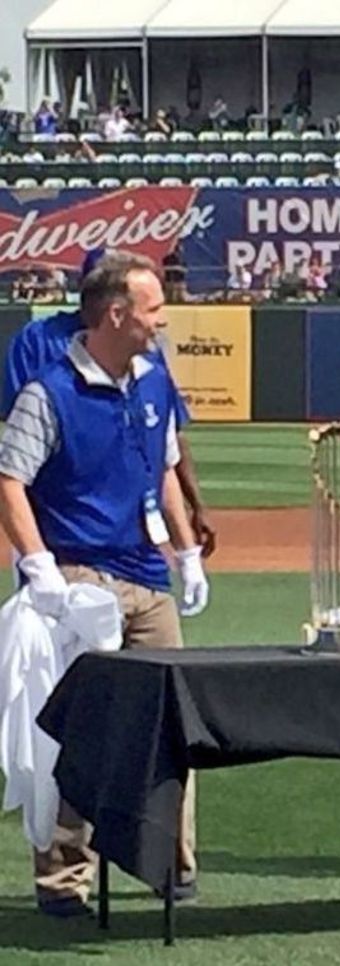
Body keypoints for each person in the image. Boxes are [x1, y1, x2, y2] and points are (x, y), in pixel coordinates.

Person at [0, 252, 211, 918]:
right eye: (152, 309)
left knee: (177, 726)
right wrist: (38, 566)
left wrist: (186, 552)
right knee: (79, 731)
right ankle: (64, 879)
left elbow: (167, 466)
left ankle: (172, 865)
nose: (162, 320)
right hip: (79, 581)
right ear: (117, 314)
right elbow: (9, 479)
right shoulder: (50, 391)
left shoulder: (153, 382)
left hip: (148, 578)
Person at [2, 250, 216, 555]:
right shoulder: (37, 338)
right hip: (56, 527)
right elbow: (19, 436)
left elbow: (168, 440)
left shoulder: (145, 351)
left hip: (132, 531)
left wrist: (196, 507)